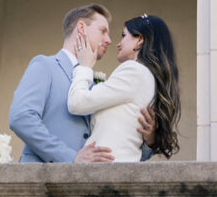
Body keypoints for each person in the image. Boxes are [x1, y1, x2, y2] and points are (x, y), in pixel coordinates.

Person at [9, 3, 156, 163]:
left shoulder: (94, 85)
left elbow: (115, 143)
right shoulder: (45, 65)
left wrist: (149, 142)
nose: (109, 40)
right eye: (103, 31)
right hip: (41, 179)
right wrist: (70, 157)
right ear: (81, 28)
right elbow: (21, 118)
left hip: (85, 183)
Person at [67, 13, 180, 162]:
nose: (118, 43)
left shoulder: (134, 71)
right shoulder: (147, 76)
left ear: (139, 40)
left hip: (107, 167)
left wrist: (84, 67)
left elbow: (77, 103)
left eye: (123, 35)